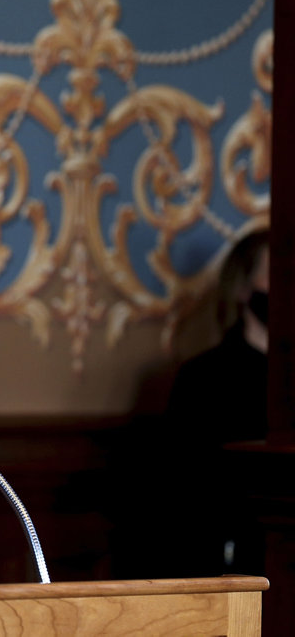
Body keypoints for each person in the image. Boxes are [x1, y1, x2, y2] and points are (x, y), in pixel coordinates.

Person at [163, 227, 269, 577]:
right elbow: (186, 492)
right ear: (243, 287)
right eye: (274, 275)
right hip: (227, 557)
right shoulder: (205, 377)